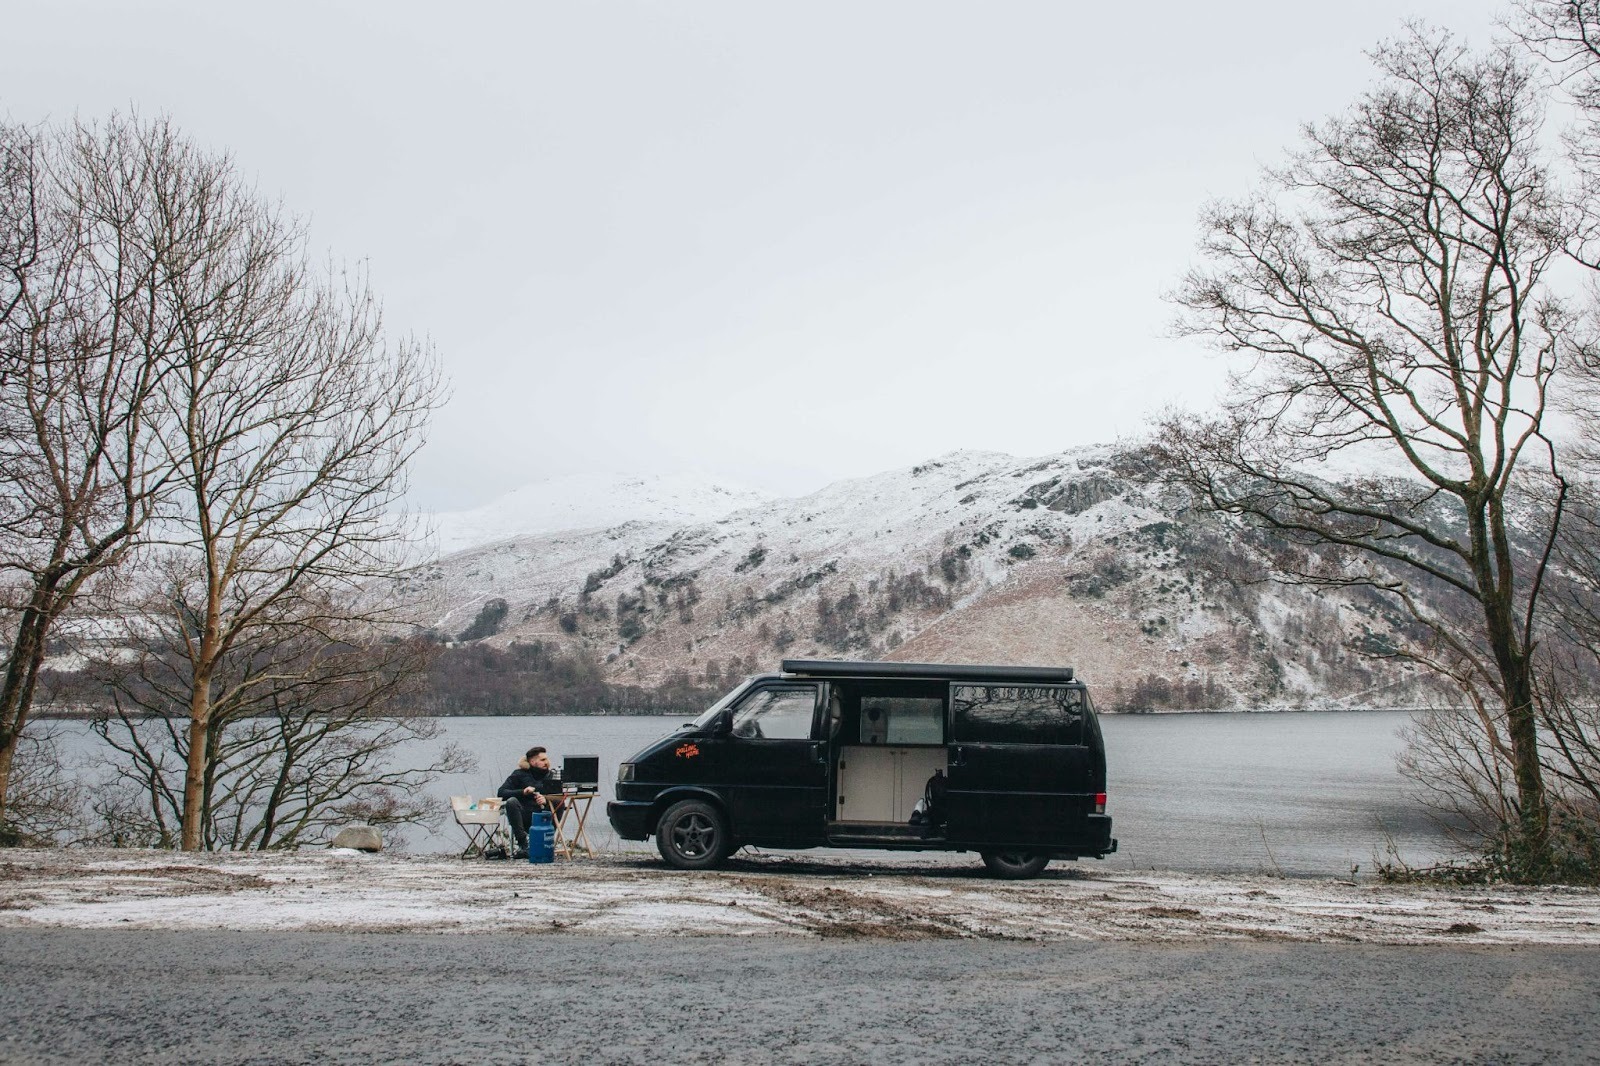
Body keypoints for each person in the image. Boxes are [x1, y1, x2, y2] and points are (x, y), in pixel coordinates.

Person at [498, 746, 566, 857]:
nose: (547, 763)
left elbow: (561, 796)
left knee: (559, 802)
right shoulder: (519, 774)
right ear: (533, 761)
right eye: (542, 760)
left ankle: (547, 840)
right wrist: (523, 792)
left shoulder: (552, 775)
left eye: (547, 759)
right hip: (524, 815)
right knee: (511, 802)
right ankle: (524, 844)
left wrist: (546, 799)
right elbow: (501, 792)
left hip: (544, 815)